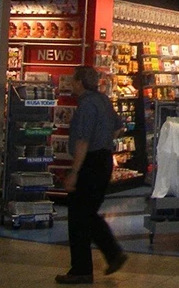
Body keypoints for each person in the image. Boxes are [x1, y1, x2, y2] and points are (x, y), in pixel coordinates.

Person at [56, 66, 127, 284]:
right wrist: (105, 139)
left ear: (79, 82)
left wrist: (74, 172)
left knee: (78, 215)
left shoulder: (86, 104)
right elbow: (119, 127)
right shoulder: (103, 100)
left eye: (73, 80)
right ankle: (112, 254)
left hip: (90, 162)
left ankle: (82, 268)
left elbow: (82, 141)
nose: (71, 84)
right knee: (87, 213)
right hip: (103, 159)